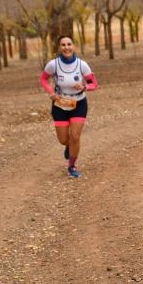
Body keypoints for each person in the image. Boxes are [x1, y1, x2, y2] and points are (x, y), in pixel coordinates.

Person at [39, 35, 98, 178]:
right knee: (64, 139)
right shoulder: (53, 64)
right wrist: (51, 92)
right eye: (63, 45)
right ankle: (68, 146)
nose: (66, 47)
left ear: (74, 46)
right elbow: (43, 79)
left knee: (75, 136)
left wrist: (84, 86)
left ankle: (72, 165)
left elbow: (94, 84)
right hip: (60, 104)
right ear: (59, 48)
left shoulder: (82, 65)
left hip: (79, 103)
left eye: (69, 44)